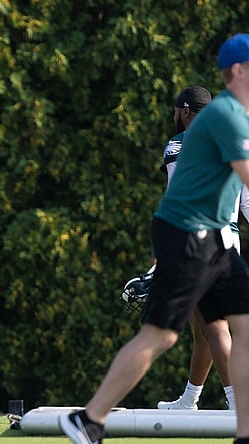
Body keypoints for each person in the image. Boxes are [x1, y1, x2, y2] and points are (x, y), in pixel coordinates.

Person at [60, 33, 249, 444]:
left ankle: (241, 424)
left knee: (234, 325)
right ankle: (90, 418)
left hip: (216, 239)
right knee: (167, 334)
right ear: (238, 70)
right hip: (191, 235)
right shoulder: (225, 118)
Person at [156, 86, 235, 411]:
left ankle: (237, 402)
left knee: (214, 326)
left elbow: (176, 198)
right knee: (202, 326)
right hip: (230, 243)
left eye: (177, 111)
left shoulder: (179, 144)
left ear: (186, 111)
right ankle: (190, 399)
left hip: (197, 242)